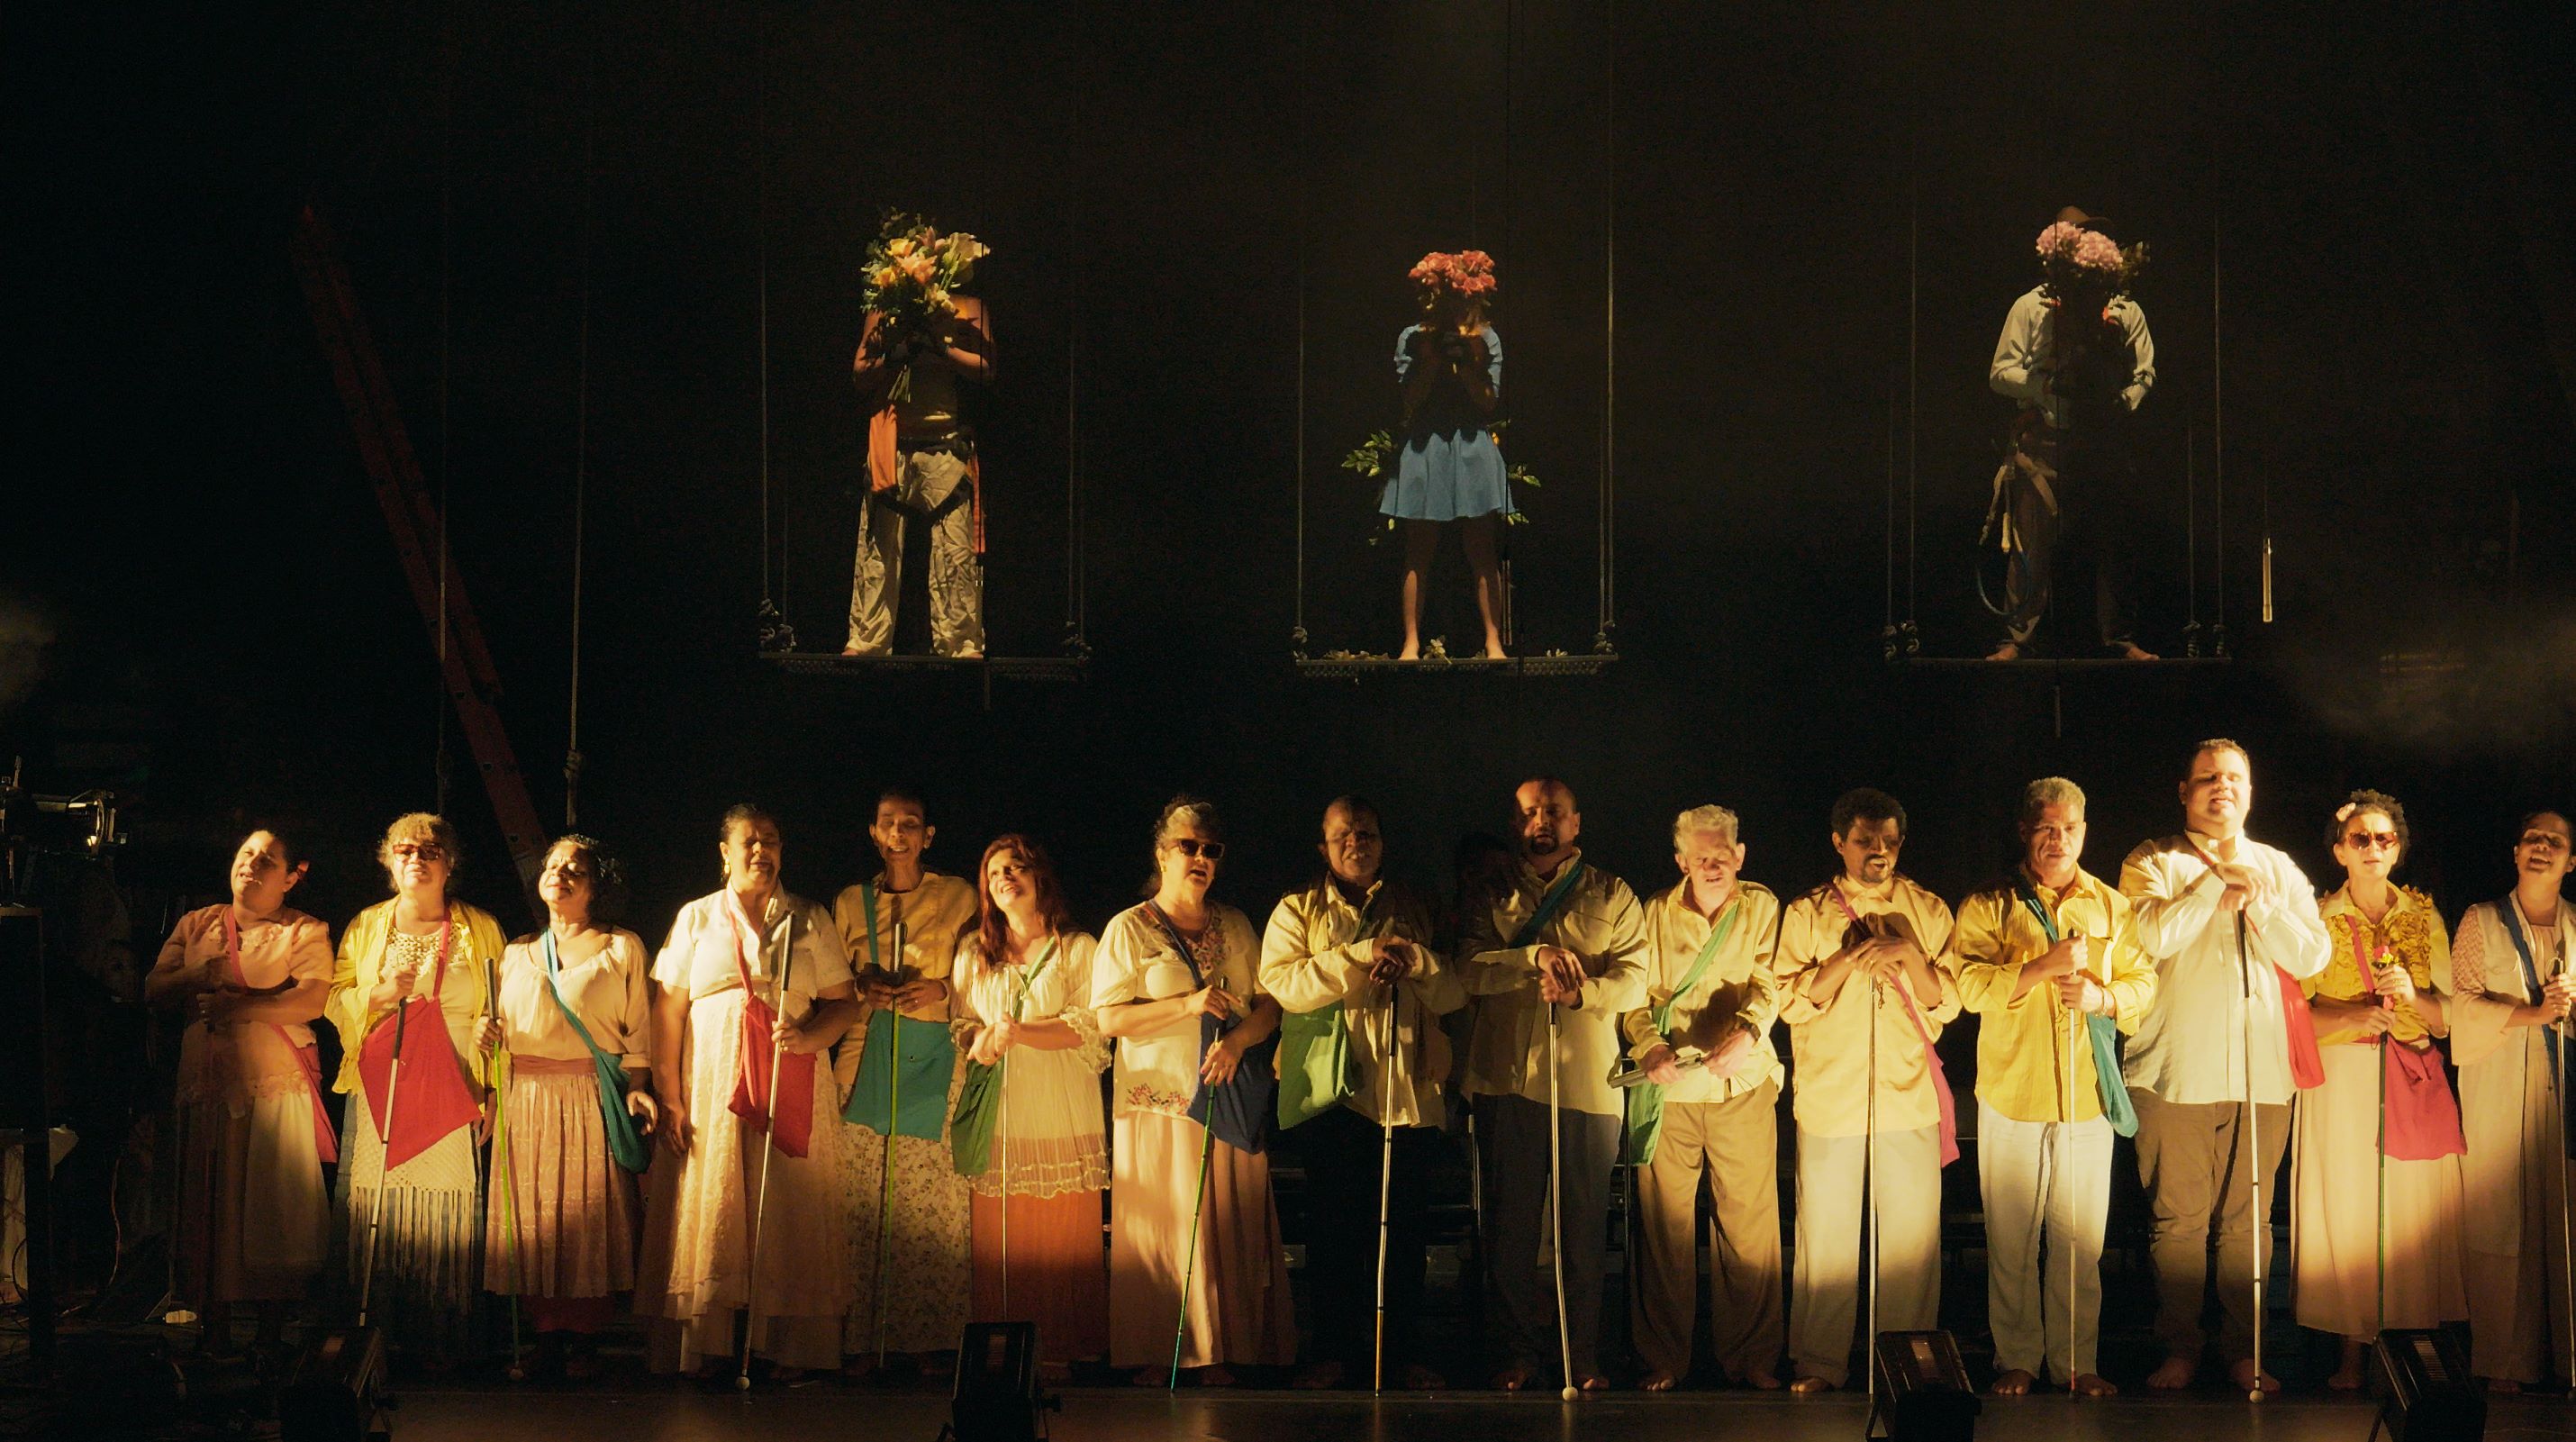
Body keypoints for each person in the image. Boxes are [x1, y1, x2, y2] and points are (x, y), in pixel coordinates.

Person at [2118, 739, 2331, 1393]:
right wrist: (2215, 881)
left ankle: (2246, 1348)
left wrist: (2257, 898)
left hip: (2262, 1075)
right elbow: (2152, 936)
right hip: (2175, 1070)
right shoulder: (2153, 859)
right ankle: (2179, 1347)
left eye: (2235, 777)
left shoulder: (2275, 865)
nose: (2223, 787)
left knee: (2247, 1222)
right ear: (2184, 790)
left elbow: (2313, 954)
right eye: (2208, 777)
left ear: (2251, 789)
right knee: (2177, 1222)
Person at [635, 805, 862, 1380]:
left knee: (787, 1203)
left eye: (772, 841)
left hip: (790, 1068)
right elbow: (669, 1009)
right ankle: (711, 1345)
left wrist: (811, 1037)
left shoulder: (808, 916)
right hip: (711, 1074)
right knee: (718, 1196)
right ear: (725, 852)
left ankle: (783, 1348)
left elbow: (843, 1001)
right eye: (749, 841)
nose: (761, 851)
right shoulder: (697, 917)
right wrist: (670, 1095)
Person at [1949, 778, 2155, 1398]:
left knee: (2079, 1239)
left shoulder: (2113, 906)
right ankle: (2016, 1356)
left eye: (2068, 828)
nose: (2057, 838)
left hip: (2086, 1096)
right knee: (2011, 1238)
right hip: (2011, 1091)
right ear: (2024, 831)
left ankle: (2074, 1360)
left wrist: (2103, 995)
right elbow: (1970, 988)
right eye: (2045, 827)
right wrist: (2042, 967)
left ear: (2084, 833)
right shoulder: (1989, 902)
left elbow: (2143, 985)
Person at [1259, 795, 1465, 1392]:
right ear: (1324, 846)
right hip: (1335, 1092)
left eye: (1368, 832)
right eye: (1344, 833)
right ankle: (1334, 1351)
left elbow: (1453, 991)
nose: (1358, 841)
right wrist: (1358, 954)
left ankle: (1400, 1352)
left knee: (1404, 1231)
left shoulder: (1416, 904)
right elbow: (1282, 983)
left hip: (1406, 1090)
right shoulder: (1297, 909)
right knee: (1335, 1229)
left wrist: (1414, 960)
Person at [1456, 777, 1648, 1392]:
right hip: (1507, 1078)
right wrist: (1529, 959)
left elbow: (1636, 979)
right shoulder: (1489, 890)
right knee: (1510, 1231)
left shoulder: (1612, 892)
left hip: (1587, 1084)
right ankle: (1515, 1353)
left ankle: (1579, 1356)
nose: (1543, 820)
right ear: (1516, 824)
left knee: (1583, 1230)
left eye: (1555, 811)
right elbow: (1467, 969)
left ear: (1576, 822)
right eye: (1530, 812)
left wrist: (1581, 991)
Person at [1094, 796, 1294, 1384]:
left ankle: (1225, 1349)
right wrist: (1185, 1003)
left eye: (1211, 848)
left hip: (1225, 1094)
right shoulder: (1129, 927)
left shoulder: (1234, 923)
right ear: (1163, 853)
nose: (1200, 857)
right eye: (1188, 845)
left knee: (1224, 1223)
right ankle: (1158, 1349)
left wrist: (1236, 1044)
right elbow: (1108, 1018)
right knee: (1166, 1226)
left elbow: (1269, 1005)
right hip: (1159, 1102)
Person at [1774, 788, 1960, 1394]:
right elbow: (1788, 1000)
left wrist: (1905, 951)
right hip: (1832, 1094)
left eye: (1888, 841)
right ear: (1839, 843)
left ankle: (1906, 1365)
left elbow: (1948, 1000)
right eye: (1864, 840)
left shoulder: (1926, 908)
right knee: (1826, 1238)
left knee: (1910, 1244)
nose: (1878, 851)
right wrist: (1850, 960)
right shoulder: (1807, 912)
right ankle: (1820, 1362)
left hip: (1907, 1094)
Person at [2295, 792, 2467, 1390]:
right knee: (2349, 1211)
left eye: (2384, 838)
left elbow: (2448, 1018)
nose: (2373, 848)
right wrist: (2351, 1018)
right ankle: (2351, 1354)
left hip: (2411, 1071)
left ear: (2398, 848)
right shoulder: (2317, 918)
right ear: (2340, 849)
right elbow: (2296, 1014)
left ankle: (2411, 1354)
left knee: (2410, 1214)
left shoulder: (2426, 917)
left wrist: (2412, 996)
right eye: (2361, 838)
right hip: (2343, 1079)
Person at [327, 812, 510, 1366]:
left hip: (455, 1082)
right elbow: (335, 998)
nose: (417, 858)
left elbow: (503, 1010)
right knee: (374, 1209)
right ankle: (374, 1332)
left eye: (430, 850)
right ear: (388, 862)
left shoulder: (481, 927)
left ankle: (443, 1339)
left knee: (448, 1210)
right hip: (383, 1083)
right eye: (404, 850)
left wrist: (493, 1083)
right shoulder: (366, 926)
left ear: (450, 863)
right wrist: (376, 996)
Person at [145, 829, 335, 1360]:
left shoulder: (304, 930)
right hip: (205, 1082)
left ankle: (272, 1332)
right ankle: (215, 1328)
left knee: (268, 1204)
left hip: (271, 1086)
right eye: (246, 854)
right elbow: (152, 987)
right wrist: (193, 976)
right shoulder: (197, 923)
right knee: (210, 1199)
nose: (252, 864)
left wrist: (239, 1007)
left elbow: (313, 999)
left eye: (268, 858)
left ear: (293, 876)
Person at [1619, 804, 1785, 1392]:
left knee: (1750, 1225)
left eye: (1722, 856)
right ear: (1681, 861)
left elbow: (1772, 982)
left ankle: (1753, 1356)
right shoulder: (1653, 912)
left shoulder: (1761, 906)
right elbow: (1634, 1000)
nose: (1712, 866)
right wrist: (1649, 1048)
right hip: (1673, 1089)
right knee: (1664, 1228)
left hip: (1741, 1082)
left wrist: (1746, 1031)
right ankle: (1662, 1355)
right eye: (1701, 857)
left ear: (1740, 855)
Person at [484, 835, 658, 1379]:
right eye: (552, 866)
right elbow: (498, 1033)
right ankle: (545, 1336)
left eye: (574, 868)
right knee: (535, 1216)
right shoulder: (515, 953)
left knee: (587, 1216)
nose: (559, 873)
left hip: (588, 1093)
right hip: (526, 1098)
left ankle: (584, 1339)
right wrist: (486, 1035)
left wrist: (636, 1085)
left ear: (595, 885)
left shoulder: (621, 947)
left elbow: (639, 1032)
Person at [950, 834, 1110, 1371]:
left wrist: (1020, 1032)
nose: (1005, 877)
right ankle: (1002, 1355)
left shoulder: (1078, 949)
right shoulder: (975, 952)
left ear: (1040, 875)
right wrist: (984, 1043)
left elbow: (1090, 1029)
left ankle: (1061, 1351)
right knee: (1004, 1243)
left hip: (1061, 1110)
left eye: (1017, 866)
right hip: (1003, 1114)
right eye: (995, 871)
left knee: (1062, 1237)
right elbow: (962, 1026)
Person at [834, 788, 978, 1375]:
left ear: (929, 834)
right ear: (873, 832)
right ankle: (864, 1340)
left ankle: (930, 1341)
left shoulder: (959, 895)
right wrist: (862, 987)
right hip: (869, 1049)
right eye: (889, 823)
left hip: (935, 1055)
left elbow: (981, 967)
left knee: (932, 1203)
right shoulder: (850, 901)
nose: (899, 833)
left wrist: (942, 989)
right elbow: (831, 979)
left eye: (911, 824)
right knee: (863, 1198)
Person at [1986, 205, 2157, 662]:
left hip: (2103, 443)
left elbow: (2145, 374)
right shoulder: (2031, 307)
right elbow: (2000, 373)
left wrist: (2120, 402)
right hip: (2045, 443)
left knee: (2113, 542)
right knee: (2031, 542)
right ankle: (2016, 639)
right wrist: (2040, 389)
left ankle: (2119, 637)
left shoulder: (2125, 310)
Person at [2446, 809, 2576, 1392]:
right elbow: (2460, 1009)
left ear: (2572, 861)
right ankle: (2505, 1361)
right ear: (2515, 851)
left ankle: (2566, 1358)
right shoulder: (2480, 920)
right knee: (2502, 1225)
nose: (2541, 847)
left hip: (2564, 1093)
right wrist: (2533, 1012)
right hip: (2500, 1089)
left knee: (2564, 1222)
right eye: (2532, 838)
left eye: (2555, 841)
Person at [845, 218, 996, 658]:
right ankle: (867, 640)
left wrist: (939, 347)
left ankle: (960, 642)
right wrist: (900, 350)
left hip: (944, 443)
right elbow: (859, 373)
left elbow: (988, 370)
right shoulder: (886, 308)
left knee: (954, 552)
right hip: (893, 444)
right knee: (877, 548)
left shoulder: (968, 306)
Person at [1383, 249, 1508, 661]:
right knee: (1418, 548)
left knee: (1482, 548)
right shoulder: (1413, 338)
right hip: (1427, 445)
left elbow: (1489, 403)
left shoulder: (1485, 338)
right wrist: (1433, 360)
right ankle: (1411, 642)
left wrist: (1468, 364)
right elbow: (1410, 400)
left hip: (1471, 446)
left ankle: (1493, 641)